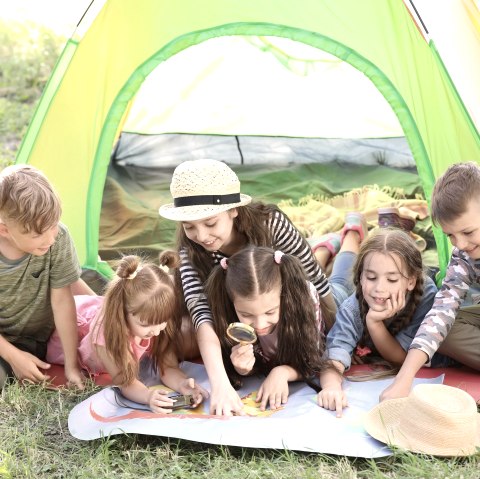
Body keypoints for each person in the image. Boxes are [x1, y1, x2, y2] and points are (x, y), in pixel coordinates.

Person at [159, 159, 366, 415]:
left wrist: (338, 340)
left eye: (210, 224)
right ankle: (325, 246)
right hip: (269, 312)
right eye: (190, 227)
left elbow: (315, 282)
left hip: (306, 297)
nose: (201, 236)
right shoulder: (191, 250)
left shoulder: (271, 225)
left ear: (233, 210)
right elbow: (202, 316)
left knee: (340, 281)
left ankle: (352, 234)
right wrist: (221, 385)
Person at [47, 252, 208, 412]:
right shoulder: (107, 336)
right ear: (124, 312)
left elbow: (168, 366)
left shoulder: (157, 319)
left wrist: (183, 384)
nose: (157, 331)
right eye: (146, 324)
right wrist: (148, 396)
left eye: (162, 322)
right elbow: (126, 382)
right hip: (72, 327)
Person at [317, 228, 453, 417]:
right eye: (371, 277)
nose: (379, 288)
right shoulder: (351, 308)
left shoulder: (426, 294)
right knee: (336, 282)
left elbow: (402, 357)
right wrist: (331, 387)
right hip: (339, 297)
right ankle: (348, 234)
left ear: (411, 281)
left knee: (338, 281)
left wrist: (374, 323)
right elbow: (334, 356)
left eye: (391, 279)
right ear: (360, 278)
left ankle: (349, 234)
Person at [381, 162, 480, 401]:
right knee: (441, 331)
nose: (461, 244)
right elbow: (442, 310)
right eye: (451, 236)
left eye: (468, 232)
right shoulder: (463, 254)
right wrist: (404, 379)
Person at [204, 245, 330, 411]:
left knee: (340, 280)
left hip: (335, 297)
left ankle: (332, 244)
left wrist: (283, 372)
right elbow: (246, 363)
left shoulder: (304, 297)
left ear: (284, 296)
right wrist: (242, 370)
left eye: (270, 312)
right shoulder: (223, 306)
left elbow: (315, 360)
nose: (260, 325)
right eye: (246, 315)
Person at [0, 165, 86, 390]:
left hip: (37, 339)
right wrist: (13, 356)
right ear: (4, 230)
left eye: (53, 226)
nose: (49, 239)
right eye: (38, 234)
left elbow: (62, 302)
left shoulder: (59, 239)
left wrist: (71, 365)